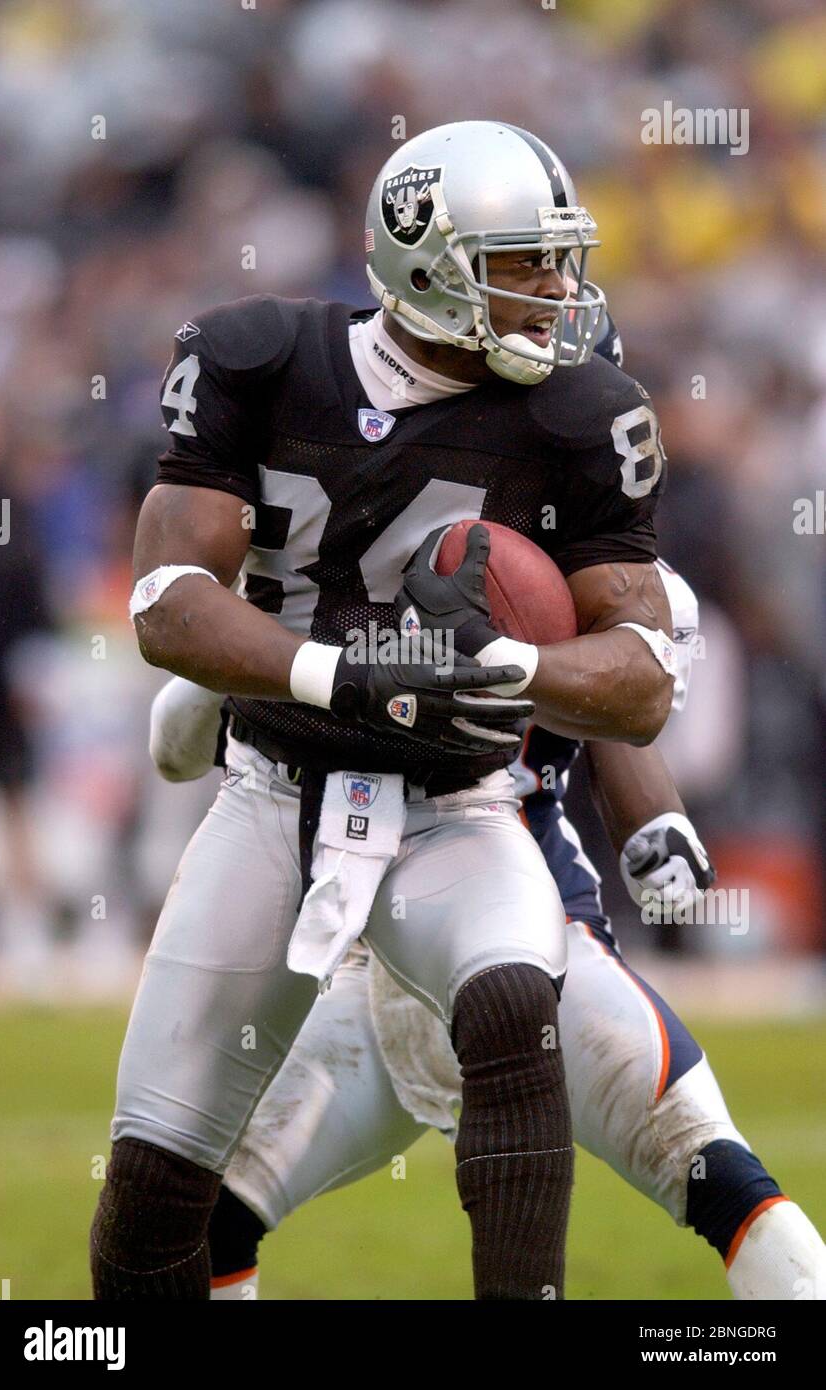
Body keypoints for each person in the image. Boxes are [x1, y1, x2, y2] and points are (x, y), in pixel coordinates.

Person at [91, 121, 676, 1301]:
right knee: (156, 1179)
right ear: (429, 261)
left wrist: (505, 665)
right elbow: (166, 603)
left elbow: (643, 681)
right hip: (272, 793)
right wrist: (339, 674)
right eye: (526, 262)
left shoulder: (581, 414)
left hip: (457, 808)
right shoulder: (259, 358)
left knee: (517, 1001)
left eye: (561, 261)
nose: (559, 292)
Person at [150, 563, 823, 1301]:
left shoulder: (604, 570)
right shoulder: (325, 547)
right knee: (205, 1219)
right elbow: (173, 748)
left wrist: (656, 827)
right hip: (370, 964)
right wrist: (233, 659)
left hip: (536, 948)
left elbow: (623, 723)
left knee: (717, 1174)